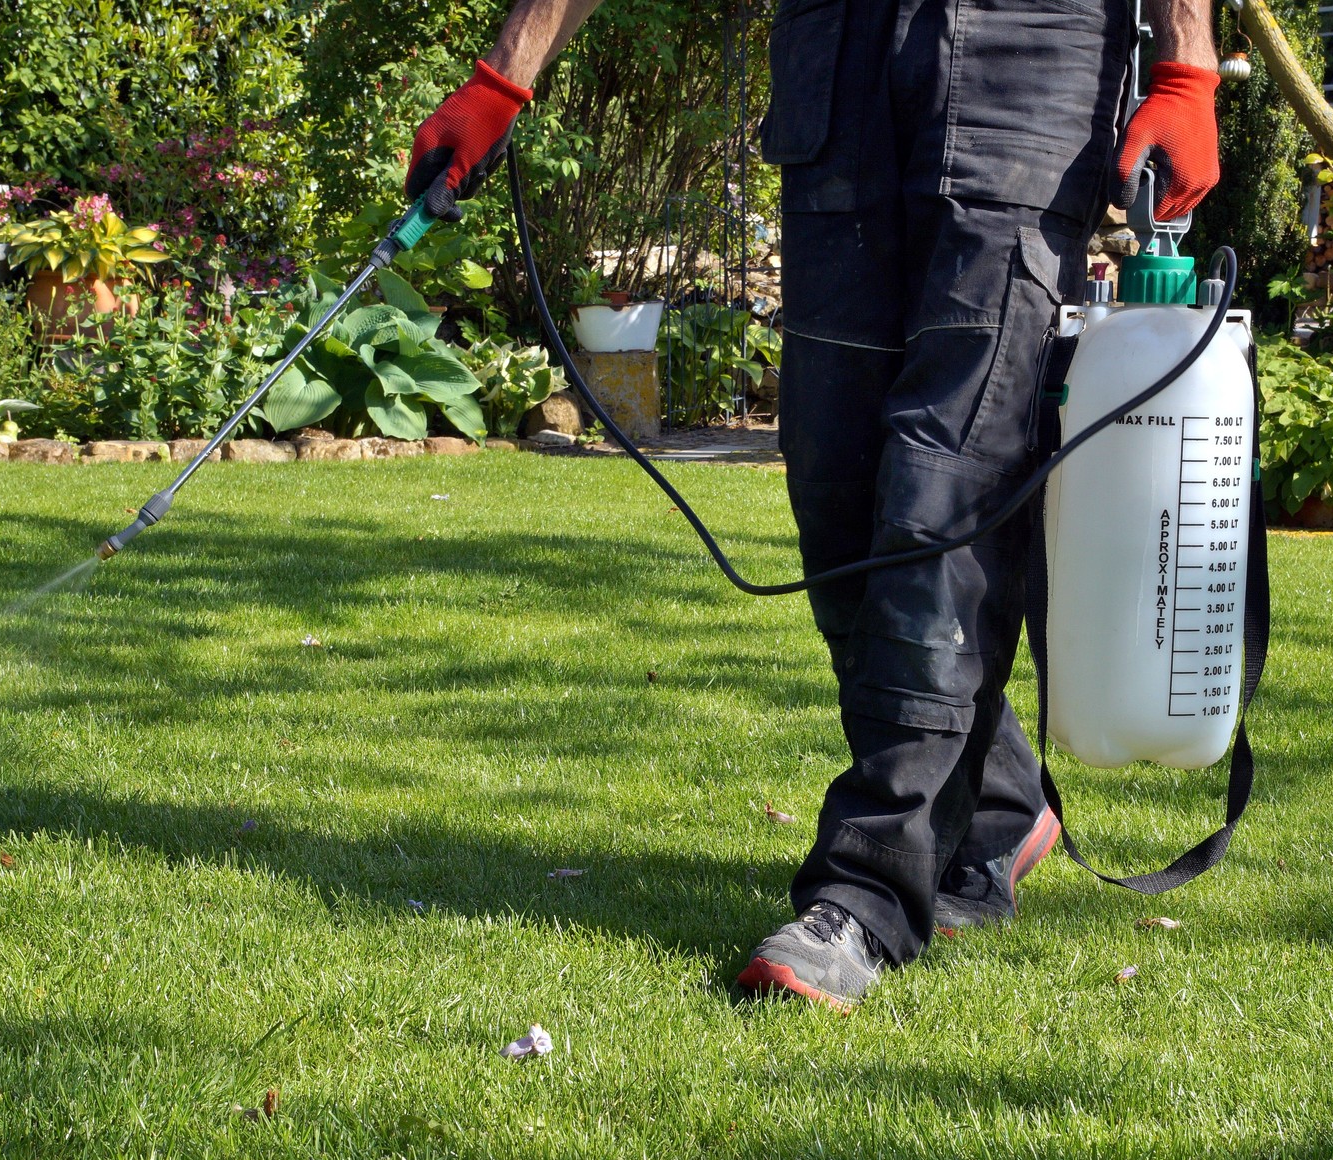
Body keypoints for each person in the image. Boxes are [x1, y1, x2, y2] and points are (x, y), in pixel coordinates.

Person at [406, 0, 1221, 1009]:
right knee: (834, 487)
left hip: (1027, 61)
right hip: (838, 66)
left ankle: (866, 890)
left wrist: (1189, 66)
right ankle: (1002, 804)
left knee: (942, 482)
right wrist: (501, 79)